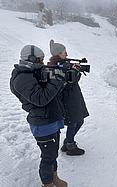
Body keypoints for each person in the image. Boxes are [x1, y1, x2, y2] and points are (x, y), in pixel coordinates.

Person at [10, 45, 68, 187]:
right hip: (42, 123)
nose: (42, 62)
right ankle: (47, 184)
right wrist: (57, 79)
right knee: (48, 157)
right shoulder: (21, 78)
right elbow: (40, 99)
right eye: (40, 60)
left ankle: (54, 177)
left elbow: (51, 91)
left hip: (52, 118)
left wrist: (60, 73)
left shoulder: (34, 71)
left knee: (53, 153)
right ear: (31, 59)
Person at [49, 40, 89, 156]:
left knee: (78, 120)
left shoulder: (62, 64)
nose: (66, 54)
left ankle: (68, 142)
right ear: (58, 54)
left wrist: (73, 69)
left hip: (72, 98)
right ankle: (70, 145)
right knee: (74, 121)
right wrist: (75, 71)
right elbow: (69, 82)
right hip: (67, 99)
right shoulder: (55, 67)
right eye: (64, 52)